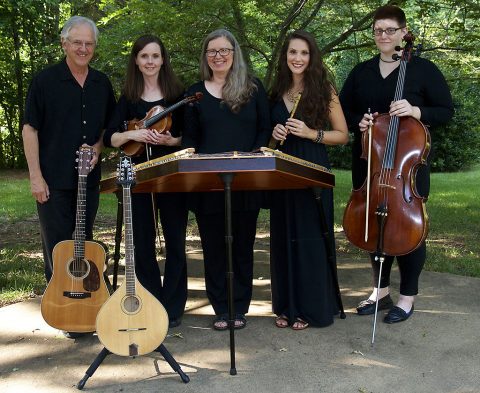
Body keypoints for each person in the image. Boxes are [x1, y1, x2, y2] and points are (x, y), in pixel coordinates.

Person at [339, 5, 454, 323]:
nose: (384, 36)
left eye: (390, 30)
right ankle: (380, 292)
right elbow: (341, 111)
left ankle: (407, 297)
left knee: (408, 229)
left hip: (407, 167)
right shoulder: (361, 72)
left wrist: (417, 112)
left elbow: (446, 110)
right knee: (373, 227)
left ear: (404, 32)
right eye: (378, 30)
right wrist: (357, 122)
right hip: (371, 164)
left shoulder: (423, 69)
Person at [22, 16, 115, 323]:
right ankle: (61, 310)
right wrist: (35, 176)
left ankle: (86, 304)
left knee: (84, 243)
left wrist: (99, 148)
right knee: (58, 247)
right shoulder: (45, 81)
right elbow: (30, 129)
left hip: (87, 181)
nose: (83, 48)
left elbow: (109, 130)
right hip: (52, 180)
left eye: (89, 43)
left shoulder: (102, 83)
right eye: (77, 42)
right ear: (64, 43)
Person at [182, 29, 271, 330]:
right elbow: (190, 139)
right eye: (212, 51)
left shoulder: (253, 88)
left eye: (224, 51)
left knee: (243, 246)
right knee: (214, 248)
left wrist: (254, 157)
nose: (218, 56)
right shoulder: (194, 93)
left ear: (234, 54)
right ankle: (221, 307)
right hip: (208, 182)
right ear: (205, 56)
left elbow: (264, 130)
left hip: (245, 180)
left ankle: (240, 308)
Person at [103, 35, 188, 328]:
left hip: (171, 175)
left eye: (155, 56)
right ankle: (150, 300)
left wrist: (170, 139)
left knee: (176, 240)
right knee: (141, 241)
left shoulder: (177, 94)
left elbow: (189, 138)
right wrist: (133, 135)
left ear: (163, 59)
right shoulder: (128, 97)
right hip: (136, 176)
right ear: (137, 61)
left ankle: (174, 307)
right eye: (144, 57)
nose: (150, 62)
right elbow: (110, 137)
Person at [269, 30, 349, 330]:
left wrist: (309, 133)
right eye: (292, 53)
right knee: (284, 237)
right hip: (283, 172)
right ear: (285, 56)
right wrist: (274, 135)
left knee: (310, 239)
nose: (298, 58)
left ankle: (312, 309)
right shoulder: (276, 91)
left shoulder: (323, 88)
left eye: (303, 53)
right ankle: (287, 307)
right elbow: (267, 141)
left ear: (312, 56)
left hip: (313, 169)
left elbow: (342, 135)